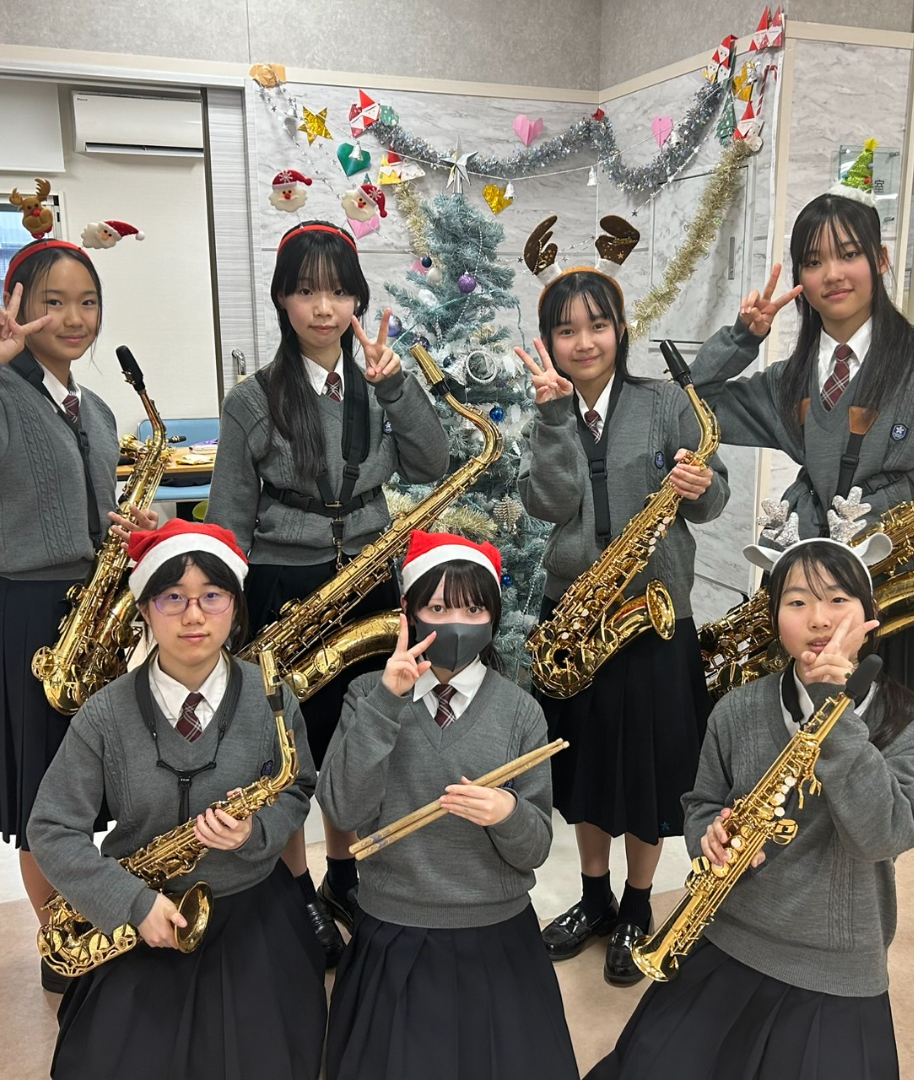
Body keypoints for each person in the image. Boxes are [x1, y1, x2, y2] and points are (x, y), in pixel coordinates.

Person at [586, 531, 914, 1080]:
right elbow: (701, 802)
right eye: (797, 602)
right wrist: (707, 835)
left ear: (869, 615)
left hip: (836, 964)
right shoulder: (737, 709)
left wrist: (833, 712)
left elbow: (884, 836)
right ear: (775, 617)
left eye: (838, 600)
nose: (819, 620)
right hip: (729, 933)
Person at [206, 220, 450, 963]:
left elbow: (432, 462)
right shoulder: (252, 399)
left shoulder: (380, 382)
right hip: (287, 587)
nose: (324, 307)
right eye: (307, 290)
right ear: (282, 298)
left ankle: (345, 872)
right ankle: (297, 885)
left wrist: (397, 386)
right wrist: (225, 616)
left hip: (371, 578)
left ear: (358, 300)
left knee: (363, 730)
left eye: (340, 291)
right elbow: (227, 521)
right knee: (288, 745)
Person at [689, 159, 914, 709]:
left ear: (879, 260)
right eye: (814, 261)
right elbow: (693, 402)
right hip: (804, 593)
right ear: (800, 279)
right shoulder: (789, 378)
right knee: (793, 743)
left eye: (848, 254)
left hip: (894, 596)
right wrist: (742, 338)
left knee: (889, 743)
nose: (833, 274)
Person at [28, 520, 326, 1080]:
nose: (194, 616)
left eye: (212, 596)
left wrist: (256, 832)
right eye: (173, 597)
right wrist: (132, 904)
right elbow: (51, 827)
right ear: (144, 609)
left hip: (252, 912)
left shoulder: (273, 697)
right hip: (142, 915)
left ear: (235, 606)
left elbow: (297, 787)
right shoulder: (103, 713)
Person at [0, 238, 154, 990]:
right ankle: (61, 943)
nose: (73, 317)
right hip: (26, 613)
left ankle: (93, 916)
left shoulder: (96, 408)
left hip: (89, 613)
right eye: (52, 302)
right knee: (46, 792)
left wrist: (129, 528)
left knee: (91, 781)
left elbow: (86, 514)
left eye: (87, 302)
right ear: (17, 306)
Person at [516, 264, 729, 987]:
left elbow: (713, 500)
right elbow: (549, 503)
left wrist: (702, 485)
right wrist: (552, 419)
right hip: (577, 616)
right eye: (566, 330)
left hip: (654, 617)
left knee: (646, 772)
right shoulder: (548, 412)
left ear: (621, 329)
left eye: (597, 325)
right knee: (584, 765)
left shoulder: (664, 402)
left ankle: (638, 904)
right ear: (548, 341)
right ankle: (594, 897)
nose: (584, 342)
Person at [317, 531, 578, 1080]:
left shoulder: (521, 712)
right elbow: (341, 809)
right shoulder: (367, 696)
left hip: (497, 933)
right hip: (392, 927)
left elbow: (535, 848)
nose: (456, 624)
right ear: (408, 612)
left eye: (473, 609)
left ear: (493, 617)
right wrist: (387, 703)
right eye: (438, 608)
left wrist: (507, 814)